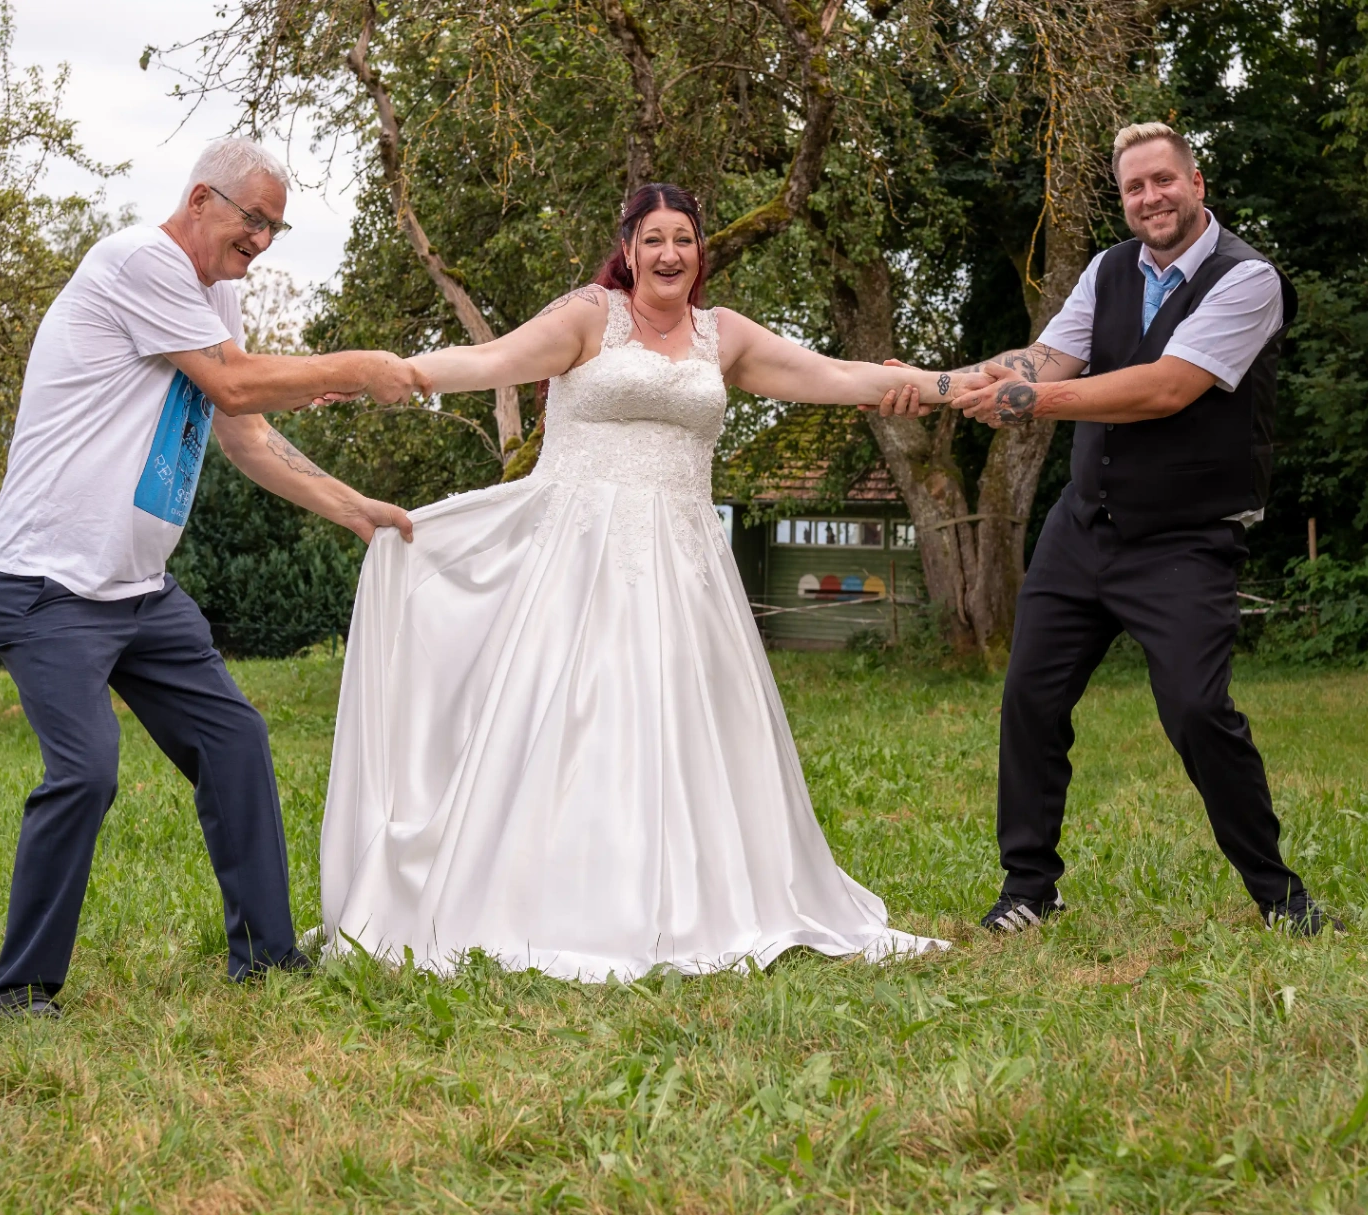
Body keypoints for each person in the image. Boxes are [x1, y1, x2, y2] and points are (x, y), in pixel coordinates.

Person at [318, 183, 980, 980]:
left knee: (690, 724)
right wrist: (386, 373)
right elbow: (488, 360)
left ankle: (699, 902)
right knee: (574, 720)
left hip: (687, 566)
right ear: (627, 248)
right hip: (577, 560)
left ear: (701, 251)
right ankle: (553, 899)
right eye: (654, 239)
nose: (670, 254)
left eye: (685, 239)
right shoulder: (589, 318)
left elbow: (831, 376)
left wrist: (949, 384)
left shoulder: (722, 336)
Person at [0, 138, 426, 1018]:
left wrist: (352, 508)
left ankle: (267, 959)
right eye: (251, 219)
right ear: (199, 199)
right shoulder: (140, 261)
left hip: (138, 592)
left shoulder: (212, 293)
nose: (261, 241)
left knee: (236, 741)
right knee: (87, 770)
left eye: (275, 228)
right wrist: (357, 368)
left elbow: (243, 429)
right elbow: (235, 382)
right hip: (46, 586)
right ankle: (21, 989)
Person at [877, 122, 1337, 936]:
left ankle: (1279, 896)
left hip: (1186, 538)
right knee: (1029, 697)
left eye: (1164, 181)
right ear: (1122, 200)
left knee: (1198, 712)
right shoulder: (1108, 269)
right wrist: (939, 384)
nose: (1151, 198)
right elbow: (1046, 362)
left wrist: (1032, 404)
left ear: (1198, 185)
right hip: (1083, 527)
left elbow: (1165, 388)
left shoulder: (1249, 279)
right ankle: (1030, 886)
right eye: (1134, 187)